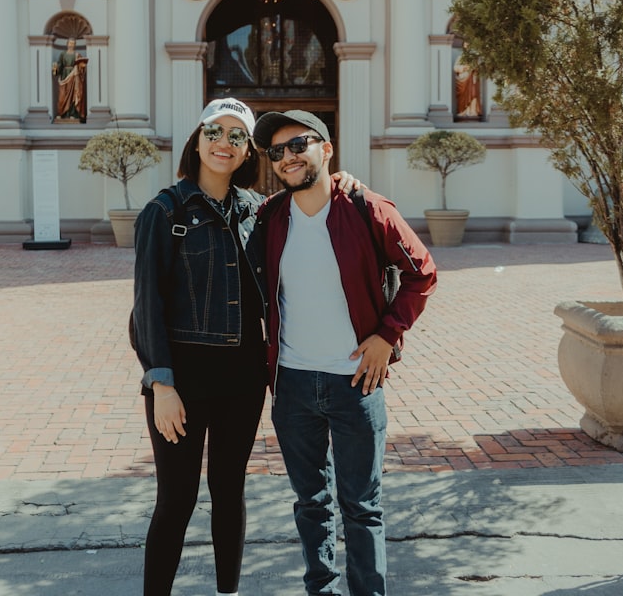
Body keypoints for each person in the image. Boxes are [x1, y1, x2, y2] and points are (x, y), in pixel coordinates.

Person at [252, 110, 438, 596]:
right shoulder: (270, 217)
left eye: (298, 145)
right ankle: (322, 590)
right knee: (310, 504)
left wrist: (388, 335)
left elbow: (422, 273)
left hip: (356, 381)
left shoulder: (366, 208)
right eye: (276, 152)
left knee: (361, 506)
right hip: (291, 384)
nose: (287, 158)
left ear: (326, 149)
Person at [131, 97, 267, 596]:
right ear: (198, 139)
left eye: (237, 135)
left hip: (244, 380)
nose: (224, 143)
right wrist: (160, 382)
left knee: (229, 491)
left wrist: (345, 183)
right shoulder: (164, 211)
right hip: (181, 381)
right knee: (177, 499)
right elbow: (147, 307)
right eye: (215, 131)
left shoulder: (259, 212)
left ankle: (227, 592)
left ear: (249, 150)